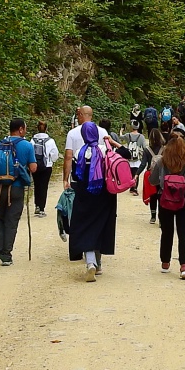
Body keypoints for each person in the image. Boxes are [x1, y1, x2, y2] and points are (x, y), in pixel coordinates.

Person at [66, 120, 117, 281]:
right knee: (100, 226)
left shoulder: (78, 153)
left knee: (85, 227)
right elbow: (125, 155)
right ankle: (99, 262)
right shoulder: (105, 151)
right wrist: (113, 142)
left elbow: (75, 175)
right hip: (104, 195)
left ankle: (90, 263)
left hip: (84, 195)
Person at [0, 118, 35, 266]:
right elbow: (33, 168)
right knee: (11, 221)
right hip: (17, 188)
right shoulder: (27, 145)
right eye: (24, 128)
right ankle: (6, 256)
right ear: (20, 129)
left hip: (0, 189)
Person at [149, 132, 185, 279]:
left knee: (167, 231)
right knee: (184, 232)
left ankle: (165, 262)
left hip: (165, 198)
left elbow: (153, 181)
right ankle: (184, 265)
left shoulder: (162, 161)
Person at [32, 121, 59, 217]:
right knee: (44, 186)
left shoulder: (32, 140)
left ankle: (37, 206)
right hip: (46, 166)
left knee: (36, 185)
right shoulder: (50, 141)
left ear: (37, 128)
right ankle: (42, 208)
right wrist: (51, 160)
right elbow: (55, 155)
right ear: (46, 129)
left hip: (35, 166)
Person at [144, 126, 166, 223]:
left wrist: (136, 175)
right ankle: (161, 218)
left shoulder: (147, 150)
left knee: (153, 195)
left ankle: (153, 217)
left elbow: (143, 163)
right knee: (161, 196)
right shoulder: (164, 149)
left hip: (151, 174)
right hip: (162, 174)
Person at [123, 118, 150, 197]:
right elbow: (144, 147)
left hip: (129, 157)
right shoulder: (141, 137)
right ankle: (134, 188)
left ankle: (131, 187)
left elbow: (121, 137)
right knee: (136, 173)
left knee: (131, 173)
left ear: (131, 127)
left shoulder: (127, 135)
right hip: (137, 157)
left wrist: (121, 130)